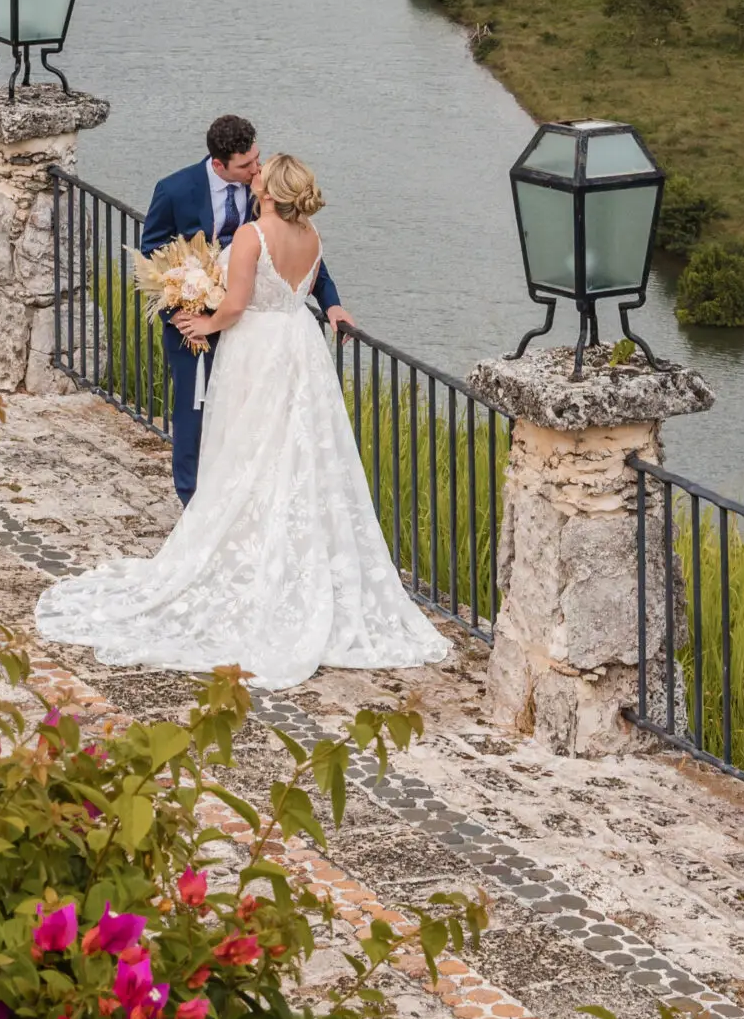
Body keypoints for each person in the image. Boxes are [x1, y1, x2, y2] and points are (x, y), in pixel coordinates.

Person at [35, 155, 449, 690]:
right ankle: (291, 551)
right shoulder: (312, 235)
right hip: (299, 344)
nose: (253, 177)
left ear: (269, 192)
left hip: (255, 347)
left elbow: (233, 307)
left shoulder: (253, 235)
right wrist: (330, 309)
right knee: (294, 445)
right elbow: (306, 289)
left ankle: (245, 551)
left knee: (247, 445)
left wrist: (202, 323)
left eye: (260, 173)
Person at [140, 113, 352, 505]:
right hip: (196, 322)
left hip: (252, 329)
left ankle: (244, 502)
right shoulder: (174, 190)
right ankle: (192, 502)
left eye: (257, 158)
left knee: (252, 420)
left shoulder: (268, 194)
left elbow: (303, 249)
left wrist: (332, 303)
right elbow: (152, 252)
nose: (256, 168)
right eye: (246, 164)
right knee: (193, 414)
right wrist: (180, 311)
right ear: (219, 164)